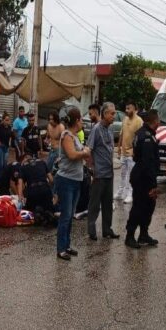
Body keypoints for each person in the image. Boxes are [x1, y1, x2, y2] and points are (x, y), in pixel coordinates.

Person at [54, 108, 91, 261]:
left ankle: (67, 245)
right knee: (66, 215)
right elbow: (72, 155)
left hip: (76, 180)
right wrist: (85, 152)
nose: (82, 122)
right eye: (81, 120)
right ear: (76, 121)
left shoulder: (75, 136)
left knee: (70, 216)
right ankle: (61, 249)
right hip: (66, 181)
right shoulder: (67, 135)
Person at [125, 110, 161, 249]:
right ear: (155, 121)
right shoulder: (146, 137)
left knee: (148, 207)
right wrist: (153, 185)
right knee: (139, 207)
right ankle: (130, 236)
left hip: (142, 174)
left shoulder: (144, 133)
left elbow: (136, 156)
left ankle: (144, 234)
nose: (159, 122)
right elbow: (147, 163)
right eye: (158, 120)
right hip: (143, 177)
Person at [86, 102, 120, 241]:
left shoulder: (110, 129)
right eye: (112, 114)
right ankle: (92, 230)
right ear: (104, 114)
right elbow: (89, 150)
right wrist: (92, 170)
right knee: (94, 204)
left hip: (109, 173)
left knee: (107, 203)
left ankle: (107, 229)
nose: (114, 116)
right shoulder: (96, 129)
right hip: (99, 173)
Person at [16, 155, 56, 227]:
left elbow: (20, 183)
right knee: (50, 208)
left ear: (25, 160)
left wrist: (20, 196)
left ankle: (36, 215)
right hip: (45, 189)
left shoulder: (23, 167)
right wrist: (50, 190)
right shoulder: (42, 162)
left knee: (28, 211)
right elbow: (51, 179)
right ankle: (48, 214)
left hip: (32, 191)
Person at [117, 102, 144, 204]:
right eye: (126, 108)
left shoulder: (139, 121)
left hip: (132, 153)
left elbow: (140, 138)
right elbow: (121, 134)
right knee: (123, 174)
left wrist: (136, 152)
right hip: (124, 152)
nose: (126, 110)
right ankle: (120, 193)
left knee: (131, 175)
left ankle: (130, 194)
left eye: (129, 108)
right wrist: (119, 148)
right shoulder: (125, 119)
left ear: (134, 108)